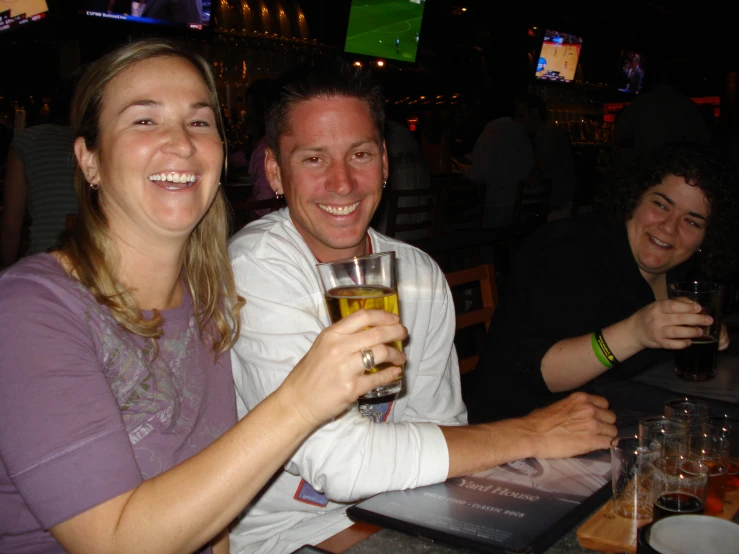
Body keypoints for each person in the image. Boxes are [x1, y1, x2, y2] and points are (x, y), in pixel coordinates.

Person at [0, 39, 407, 554]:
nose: (181, 143)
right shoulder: (28, 311)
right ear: (90, 160)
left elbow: (213, 520)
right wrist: (302, 400)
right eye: (144, 121)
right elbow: (114, 543)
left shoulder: (210, 305)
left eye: (199, 122)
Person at [228, 59, 617, 554]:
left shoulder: (418, 275)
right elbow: (339, 463)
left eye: (361, 154)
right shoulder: (257, 267)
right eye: (313, 159)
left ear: (385, 163)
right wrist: (531, 433)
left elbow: (444, 428)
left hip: (403, 509)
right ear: (274, 173)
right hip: (290, 538)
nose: (343, 182)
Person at [465, 143, 738, 423]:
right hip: (518, 428)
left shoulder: (685, 274)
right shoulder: (568, 251)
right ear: (634, 197)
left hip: (616, 417)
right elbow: (538, 374)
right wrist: (636, 332)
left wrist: (698, 329)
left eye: (692, 222)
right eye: (660, 205)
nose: (669, 227)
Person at [1, 77, 78, 268]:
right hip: (100, 264)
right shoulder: (105, 141)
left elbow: (12, 223)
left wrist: (7, 271)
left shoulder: (28, 139)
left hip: (45, 260)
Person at [454, 93, 534, 227]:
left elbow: (479, 175)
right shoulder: (520, 128)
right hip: (520, 208)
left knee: (455, 224)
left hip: (497, 210)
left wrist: (461, 168)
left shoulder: (494, 129)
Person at [515, 93, 577, 220]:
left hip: (558, 205)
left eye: (522, 116)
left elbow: (540, 166)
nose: (519, 121)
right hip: (562, 201)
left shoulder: (547, 132)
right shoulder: (549, 131)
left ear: (535, 113)